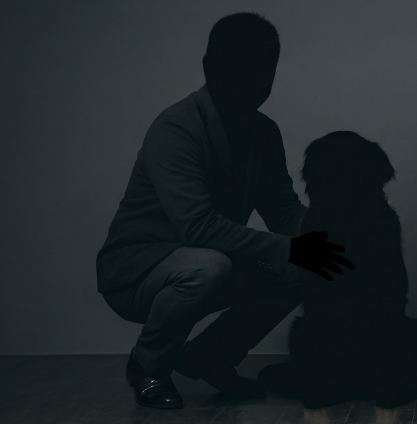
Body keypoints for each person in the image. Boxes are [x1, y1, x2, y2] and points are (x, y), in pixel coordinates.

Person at [96, 12, 355, 409]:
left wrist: (339, 227)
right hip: (137, 273)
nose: (252, 80)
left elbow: (283, 211)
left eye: (263, 69)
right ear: (208, 67)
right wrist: (293, 249)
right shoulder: (176, 128)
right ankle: (147, 365)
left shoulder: (264, 131)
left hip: (211, 259)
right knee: (209, 266)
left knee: (307, 267)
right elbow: (197, 227)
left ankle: (209, 357)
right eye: (238, 67)